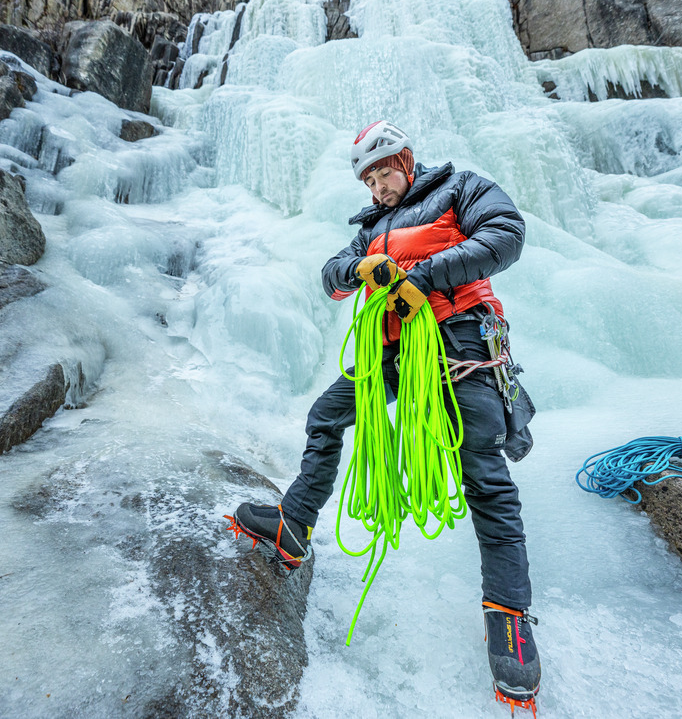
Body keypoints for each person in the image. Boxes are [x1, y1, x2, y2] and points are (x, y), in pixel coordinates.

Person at [229, 121, 540, 707]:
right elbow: (331, 277)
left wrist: (424, 276)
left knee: (485, 476)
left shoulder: (460, 188)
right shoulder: (369, 229)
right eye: (368, 181)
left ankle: (509, 617)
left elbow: (507, 233)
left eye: (384, 173)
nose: (377, 188)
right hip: (393, 351)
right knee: (325, 415)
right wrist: (359, 271)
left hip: (461, 342)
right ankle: (294, 524)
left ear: (406, 160)